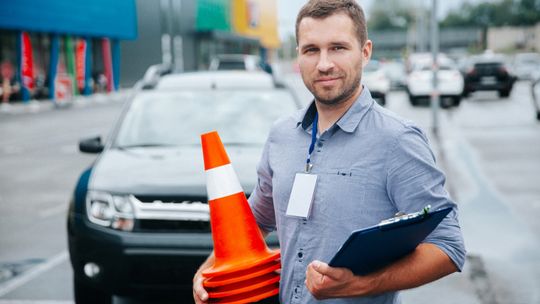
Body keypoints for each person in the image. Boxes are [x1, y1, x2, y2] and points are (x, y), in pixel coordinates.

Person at [193, 1, 465, 303]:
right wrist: (208, 270)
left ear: (365, 51)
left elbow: (448, 246)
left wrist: (359, 285)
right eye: (311, 50)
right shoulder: (282, 135)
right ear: (298, 55)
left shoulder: (397, 140)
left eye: (338, 48)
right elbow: (255, 221)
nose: (324, 64)